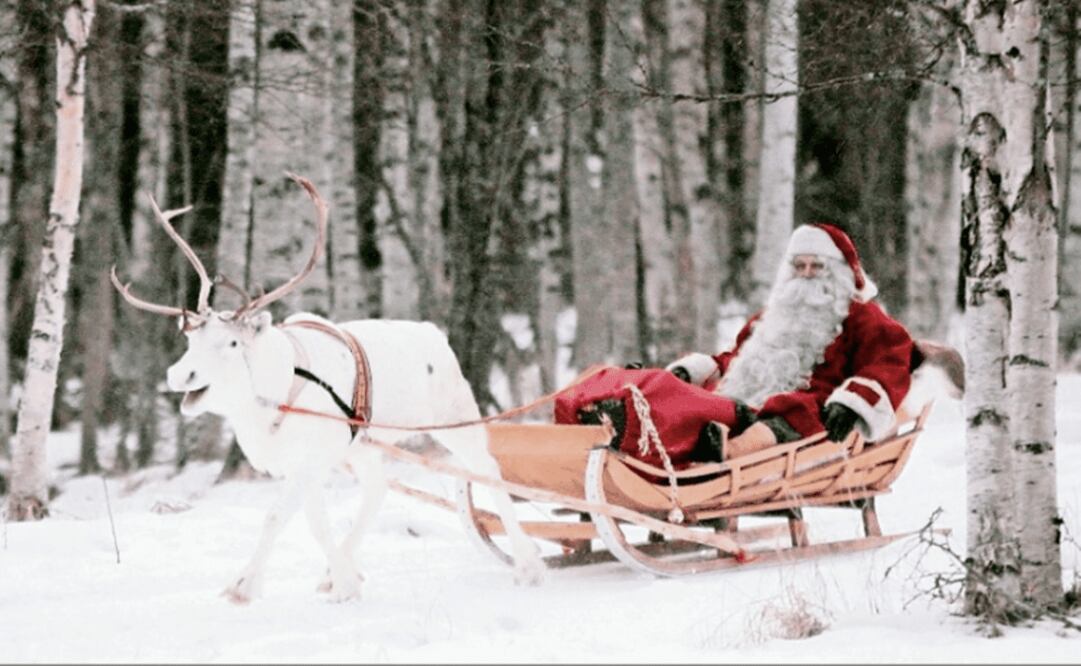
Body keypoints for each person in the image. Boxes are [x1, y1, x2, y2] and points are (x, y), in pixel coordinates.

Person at [554, 223, 920, 468]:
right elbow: (738, 357)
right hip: (739, 402)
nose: (807, 275)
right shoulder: (771, 316)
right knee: (671, 390)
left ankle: (726, 452)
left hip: (807, 406)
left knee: (787, 410)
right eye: (800, 266)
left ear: (840, 271)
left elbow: (889, 361)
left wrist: (853, 401)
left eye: (817, 267)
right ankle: (625, 427)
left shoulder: (862, 317)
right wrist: (699, 369)